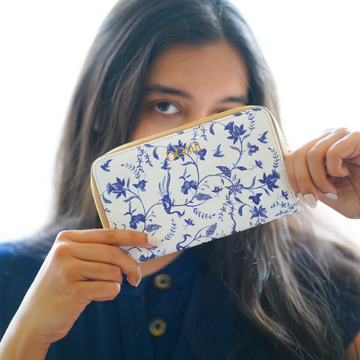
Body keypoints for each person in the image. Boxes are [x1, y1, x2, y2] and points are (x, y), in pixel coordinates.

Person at [1, 0, 360, 359]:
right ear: (100, 111)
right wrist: (27, 335)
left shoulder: (327, 285)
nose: (198, 142)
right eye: (166, 106)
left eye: (224, 115)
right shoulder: (12, 278)